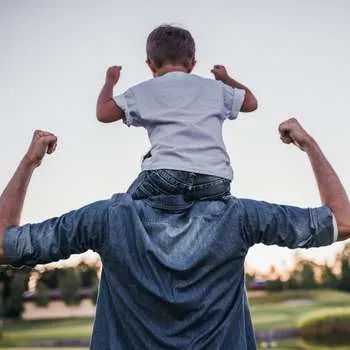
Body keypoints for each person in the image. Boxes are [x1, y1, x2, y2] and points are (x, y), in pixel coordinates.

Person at [0, 118, 349, 349]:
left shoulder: (107, 218)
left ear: (148, 167)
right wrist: (310, 146)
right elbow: (342, 221)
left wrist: (31, 161)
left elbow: (4, 244)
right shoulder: (238, 216)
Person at [96, 24, 258, 201]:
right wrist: (225, 79)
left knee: (124, 208)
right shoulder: (215, 88)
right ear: (192, 64)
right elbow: (251, 103)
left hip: (166, 174)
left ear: (150, 64)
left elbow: (103, 113)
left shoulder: (144, 91)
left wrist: (110, 81)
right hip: (216, 178)